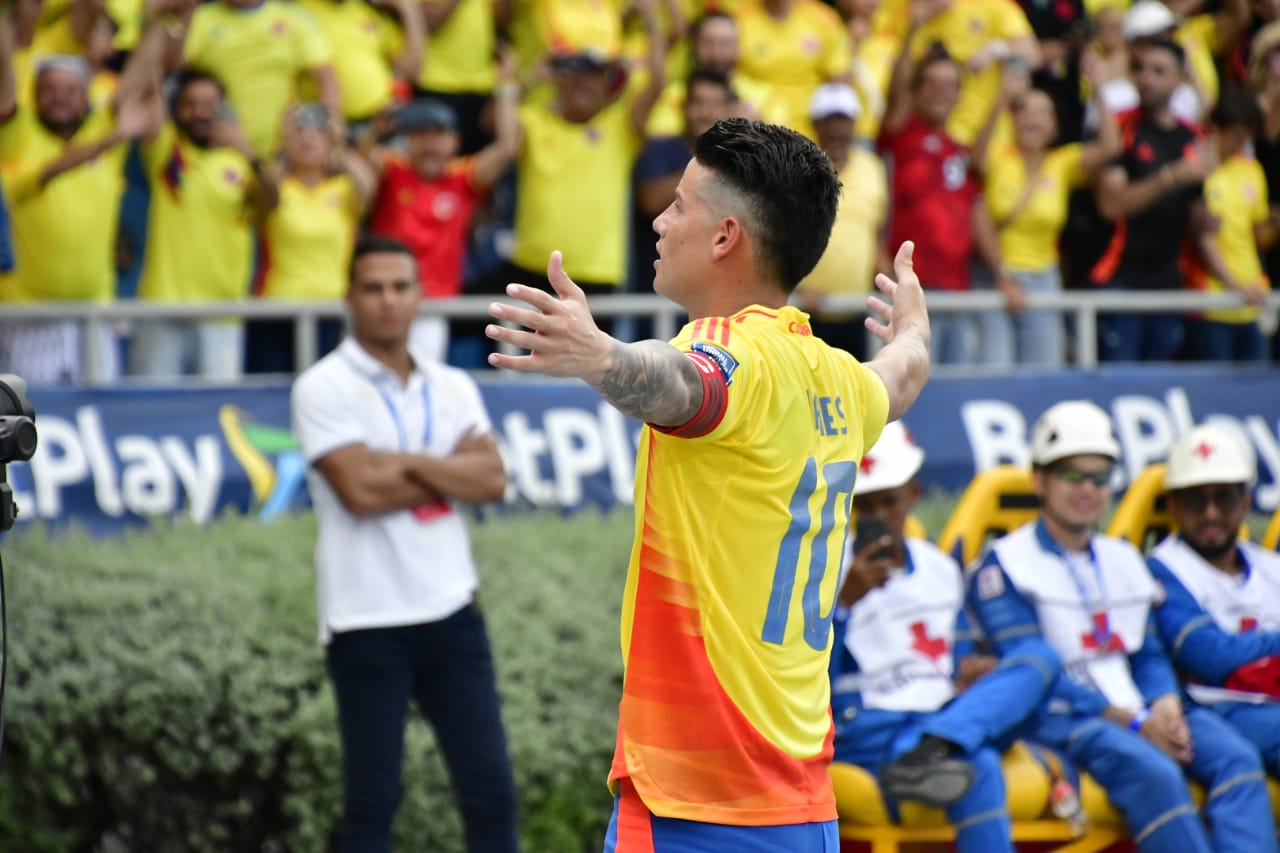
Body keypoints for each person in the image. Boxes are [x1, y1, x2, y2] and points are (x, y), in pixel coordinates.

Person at [484, 117, 931, 849]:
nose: (659, 220)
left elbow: (686, 386)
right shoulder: (838, 379)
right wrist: (914, 328)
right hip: (804, 809)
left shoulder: (727, 348)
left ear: (726, 237)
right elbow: (903, 374)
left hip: (697, 805)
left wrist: (600, 356)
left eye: (681, 205)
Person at [290, 235, 519, 853]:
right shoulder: (323, 386)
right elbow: (360, 492)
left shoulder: (450, 385)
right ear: (350, 298)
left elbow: (492, 480)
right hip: (367, 621)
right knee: (372, 807)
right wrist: (447, 465)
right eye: (373, 288)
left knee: (492, 795)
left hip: (453, 612)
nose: (388, 300)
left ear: (421, 296)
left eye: (400, 287)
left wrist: (402, 462)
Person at [968, 400, 1278, 853]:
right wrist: (1135, 723)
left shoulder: (1124, 559)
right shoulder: (1004, 566)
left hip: (1138, 709)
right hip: (1062, 717)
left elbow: (1147, 653)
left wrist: (1166, 703)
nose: (1088, 488)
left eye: (1100, 476)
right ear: (1040, 480)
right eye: (1072, 474)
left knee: (1237, 759)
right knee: (1155, 773)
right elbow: (1034, 674)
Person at [830, 421, 1061, 852]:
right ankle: (936, 748)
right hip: (874, 723)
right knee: (981, 765)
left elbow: (954, 656)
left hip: (943, 711)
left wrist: (971, 666)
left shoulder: (940, 568)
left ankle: (934, 747)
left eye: (889, 502)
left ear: (914, 496)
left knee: (1039, 658)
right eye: (866, 507)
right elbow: (809, 678)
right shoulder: (825, 572)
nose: (879, 516)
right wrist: (843, 605)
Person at [0, 3, 168, 383]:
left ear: (85, 97)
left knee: (101, 422)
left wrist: (161, 21)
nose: (60, 98)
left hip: (94, 320)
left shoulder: (101, 134)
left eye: (71, 91)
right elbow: (49, 169)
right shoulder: (16, 139)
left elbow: (136, 81)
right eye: (49, 90)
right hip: (28, 323)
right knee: (25, 430)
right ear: (35, 97)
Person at [1148, 422, 1280, 776]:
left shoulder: (1271, 567)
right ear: (1173, 506)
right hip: (1216, 711)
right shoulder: (1161, 570)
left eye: (1223, 497)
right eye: (1195, 500)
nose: (1210, 513)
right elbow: (1211, 656)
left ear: (1246, 502)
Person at [131, 66, 279, 380]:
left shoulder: (242, 162)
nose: (200, 112)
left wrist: (248, 153)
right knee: (152, 410)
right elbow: (148, 89)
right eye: (191, 104)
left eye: (210, 104)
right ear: (178, 110)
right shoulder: (168, 155)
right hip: (162, 309)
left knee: (219, 410)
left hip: (223, 315)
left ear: (225, 109)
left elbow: (272, 204)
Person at [362, 82, 520, 366]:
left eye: (439, 135)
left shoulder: (461, 178)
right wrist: (376, 129)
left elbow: (507, 148)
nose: (431, 144)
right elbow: (361, 157)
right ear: (408, 140)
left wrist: (506, 90)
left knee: (421, 379)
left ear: (455, 142)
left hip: (432, 305)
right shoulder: (393, 170)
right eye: (421, 135)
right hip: (383, 299)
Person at [1090, 38, 1216, 362]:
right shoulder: (1119, 130)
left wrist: (1205, 219)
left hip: (1170, 284)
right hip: (1120, 280)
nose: (1146, 78)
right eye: (1140, 69)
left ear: (1180, 80)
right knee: (1118, 386)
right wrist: (1170, 177)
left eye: (1159, 71)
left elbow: (1196, 208)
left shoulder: (1193, 137)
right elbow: (1111, 206)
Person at [247, 102, 376, 374]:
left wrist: (341, 143)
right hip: (277, 306)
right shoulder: (277, 188)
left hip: (331, 307)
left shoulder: (342, 190)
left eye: (318, 132)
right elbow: (262, 191)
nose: (308, 138)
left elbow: (369, 188)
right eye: (299, 132)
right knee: (273, 396)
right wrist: (281, 138)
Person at [795, 82, 888, 360]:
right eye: (828, 120)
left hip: (859, 313)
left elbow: (875, 233)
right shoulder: (794, 168)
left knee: (858, 399)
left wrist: (888, 282)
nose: (836, 129)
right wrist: (794, 288)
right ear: (814, 124)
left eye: (843, 120)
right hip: (802, 315)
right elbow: (775, 235)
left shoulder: (873, 167)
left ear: (855, 125)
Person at [1187, 85, 1273, 362]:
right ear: (1215, 126)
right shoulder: (1195, 167)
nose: (1240, 144)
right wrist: (1235, 286)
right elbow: (1204, 239)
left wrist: (1274, 224)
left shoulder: (1251, 170)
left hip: (1252, 299)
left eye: (1246, 137)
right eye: (1235, 136)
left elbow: (1258, 238)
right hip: (1211, 302)